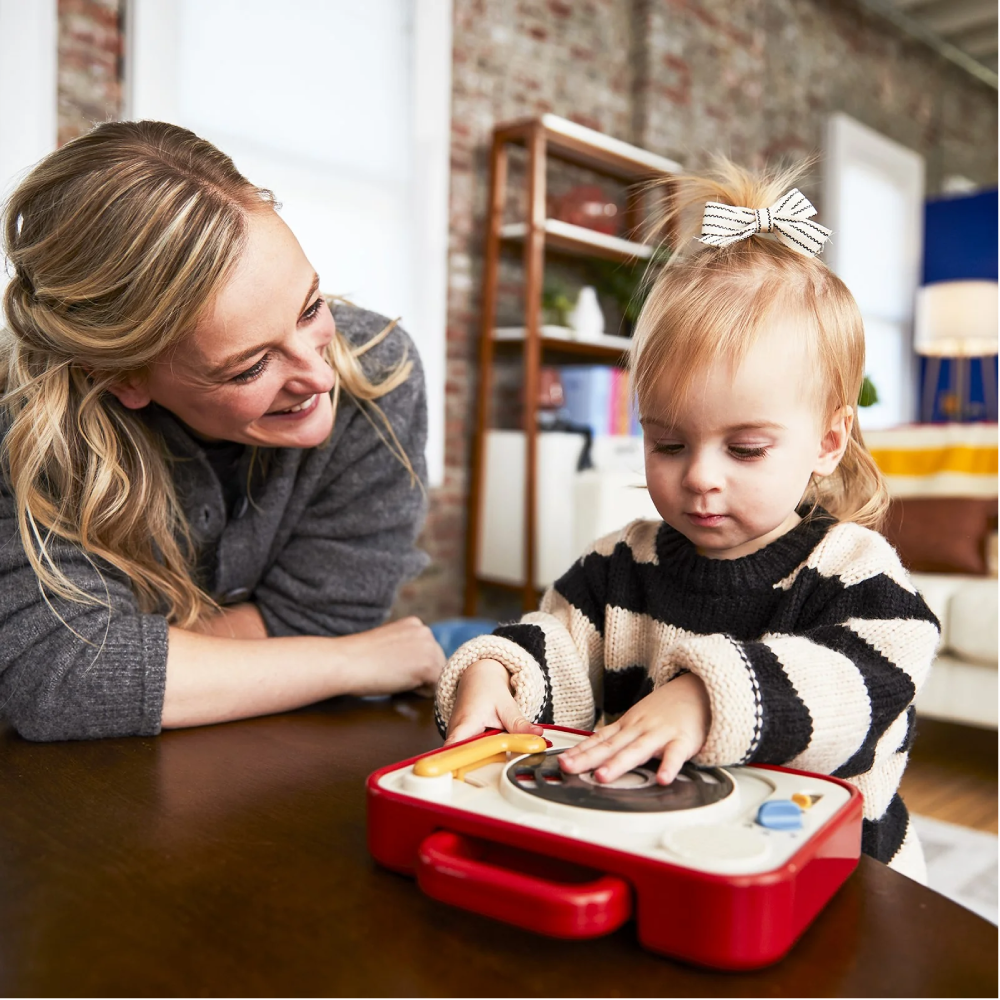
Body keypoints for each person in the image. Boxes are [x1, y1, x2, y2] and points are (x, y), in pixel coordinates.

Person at [435, 161, 939, 880]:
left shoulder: (855, 574)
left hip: (842, 884)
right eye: (667, 442)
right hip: (664, 864)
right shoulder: (617, 571)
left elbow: (870, 683)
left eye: (745, 448)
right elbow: (556, 652)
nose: (699, 475)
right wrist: (497, 675)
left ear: (829, 442)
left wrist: (708, 699)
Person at [0, 121, 443, 742]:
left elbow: (325, 617)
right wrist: (355, 660)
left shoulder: (379, 372)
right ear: (123, 378)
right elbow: (59, 676)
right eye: (252, 366)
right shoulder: (28, 424)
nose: (320, 376)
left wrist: (146, 650)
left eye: (312, 308)